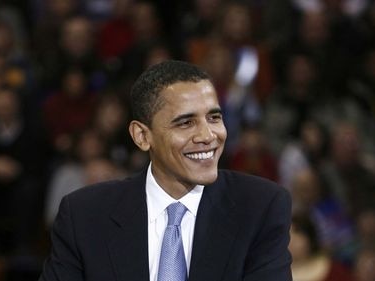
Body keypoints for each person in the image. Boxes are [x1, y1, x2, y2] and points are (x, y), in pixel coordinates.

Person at [39, 60, 292, 281]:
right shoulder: (85, 215)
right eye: (186, 123)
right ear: (142, 136)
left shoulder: (260, 206)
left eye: (214, 118)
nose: (208, 135)